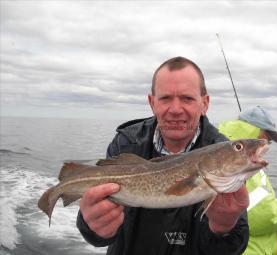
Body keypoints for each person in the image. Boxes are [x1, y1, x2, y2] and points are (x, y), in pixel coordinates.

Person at [76, 56, 250, 255]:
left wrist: (223, 228)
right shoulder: (126, 143)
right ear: (152, 102)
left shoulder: (225, 156)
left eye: (187, 98)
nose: (175, 109)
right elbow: (97, 231)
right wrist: (92, 226)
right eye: (166, 98)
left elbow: (232, 249)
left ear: (205, 103)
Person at [218, 105, 277, 255]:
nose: (268, 144)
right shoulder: (245, 162)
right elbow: (265, 216)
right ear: (261, 135)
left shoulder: (217, 145)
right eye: (269, 139)